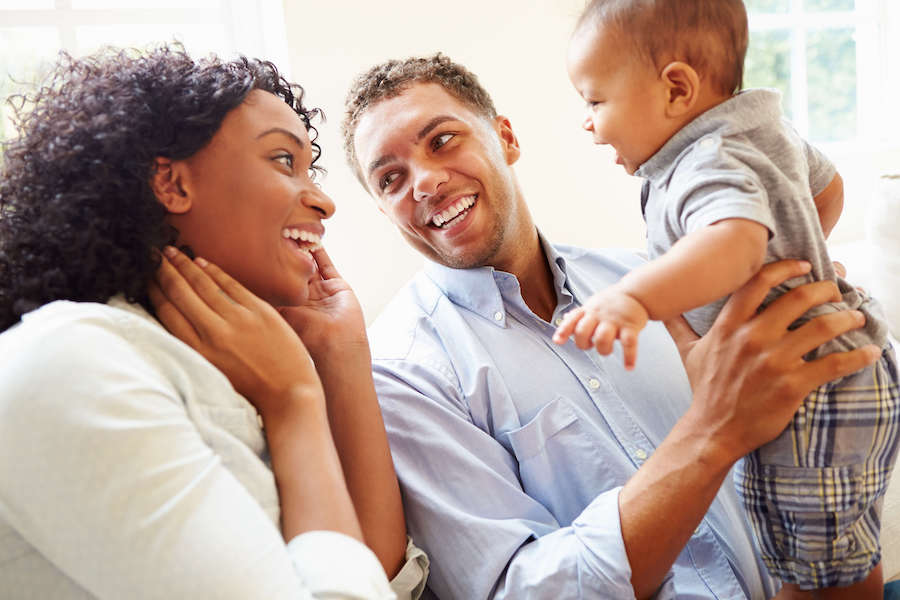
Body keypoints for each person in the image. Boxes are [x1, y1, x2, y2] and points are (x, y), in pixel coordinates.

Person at [340, 53, 883, 599]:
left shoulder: (652, 275)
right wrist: (715, 427)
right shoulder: (403, 377)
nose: (426, 182)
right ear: (384, 210)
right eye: (390, 178)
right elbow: (518, 590)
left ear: (506, 138)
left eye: (441, 141)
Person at [0, 44, 427, 599]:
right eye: (282, 160)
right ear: (172, 185)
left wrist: (339, 351)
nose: (324, 202)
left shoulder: (235, 373)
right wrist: (295, 404)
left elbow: (379, 576)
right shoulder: (73, 360)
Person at [554, 1, 899, 596]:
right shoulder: (758, 130)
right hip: (839, 377)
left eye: (595, 101)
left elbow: (735, 242)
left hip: (807, 395)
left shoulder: (703, 161)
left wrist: (634, 298)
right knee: (839, 553)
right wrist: (799, 253)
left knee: (811, 578)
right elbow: (828, 186)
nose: (589, 123)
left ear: (676, 89)